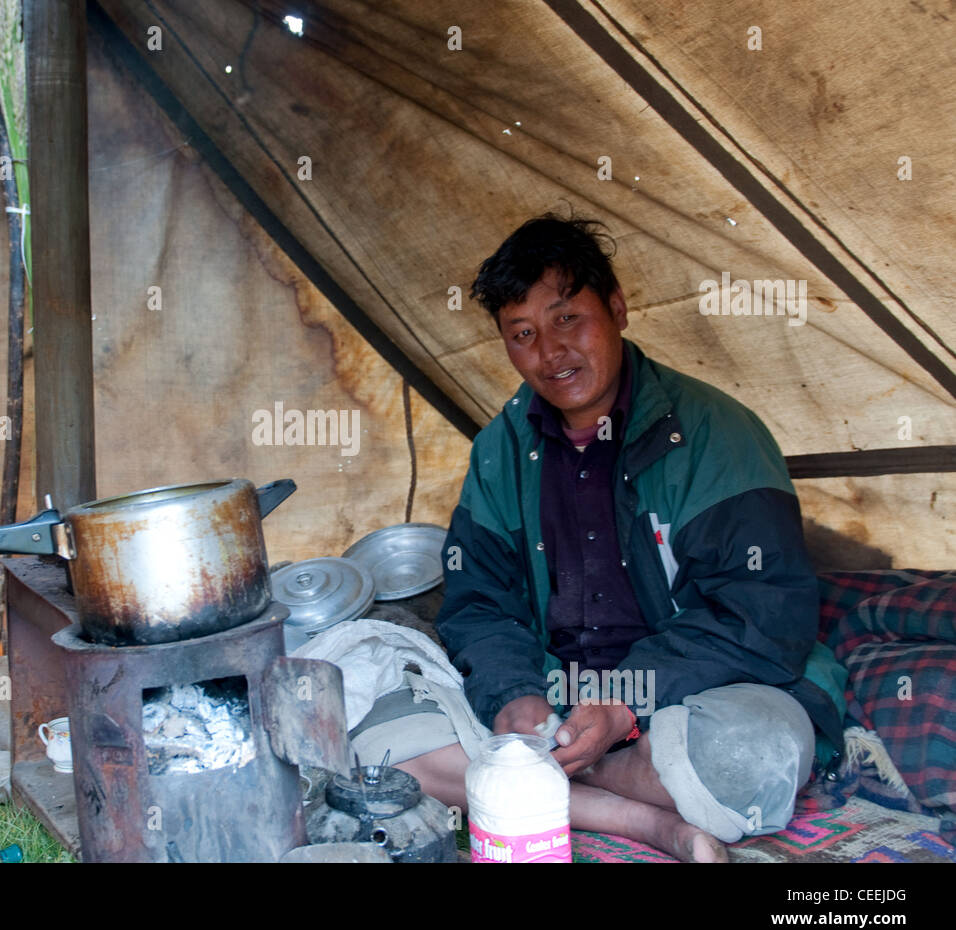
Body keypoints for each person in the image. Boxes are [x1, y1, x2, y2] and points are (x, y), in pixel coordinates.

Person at [350, 213, 846, 862]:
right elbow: (479, 601)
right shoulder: (502, 449)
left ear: (616, 308)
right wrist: (514, 699)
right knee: (374, 744)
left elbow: (764, 612)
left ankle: (529, 777)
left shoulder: (715, 433)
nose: (551, 354)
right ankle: (656, 824)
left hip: (683, 698)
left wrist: (621, 706)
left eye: (566, 319)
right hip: (554, 695)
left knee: (755, 758)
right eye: (522, 334)